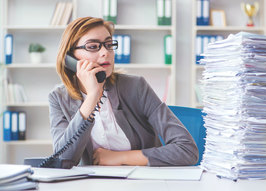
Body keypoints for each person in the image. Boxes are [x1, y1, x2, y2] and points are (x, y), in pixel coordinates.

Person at [48, 16, 199, 167]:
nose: (105, 52)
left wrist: (121, 157)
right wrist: (92, 97)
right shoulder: (59, 98)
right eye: (93, 46)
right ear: (70, 57)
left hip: (143, 184)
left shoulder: (135, 87)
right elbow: (62, 161)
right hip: (91, 187)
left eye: (109, 44)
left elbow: (187, 150)